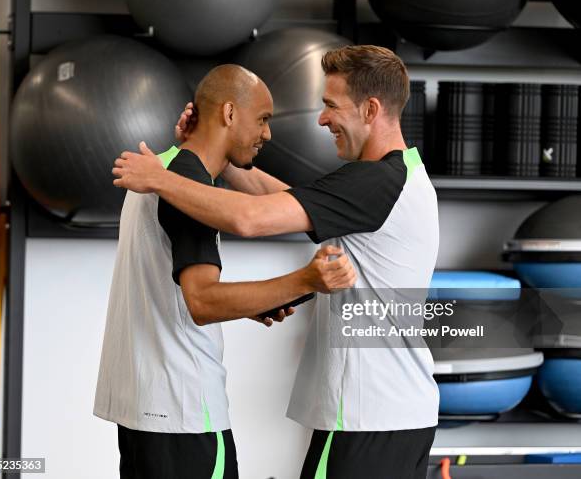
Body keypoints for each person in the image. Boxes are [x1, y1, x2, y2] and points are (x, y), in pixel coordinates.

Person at [112, 45, 439, 479]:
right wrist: (215, 150)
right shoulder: (400, 176)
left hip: (368, 416)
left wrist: (162, 176)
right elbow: (279, 198)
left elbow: (248, 218)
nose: (321, 119)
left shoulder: (376, 182)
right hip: (391, 415)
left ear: (370, 109)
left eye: (330, 106)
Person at [94, 64, 357, 479]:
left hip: (144, 411)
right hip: (185, 415)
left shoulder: (162, 171)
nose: (268, 134)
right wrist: (305, 280)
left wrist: (254, 302)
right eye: (264, 119)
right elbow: (202, 301)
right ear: (230, 114)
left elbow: (174, 288)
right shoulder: (186, 188)